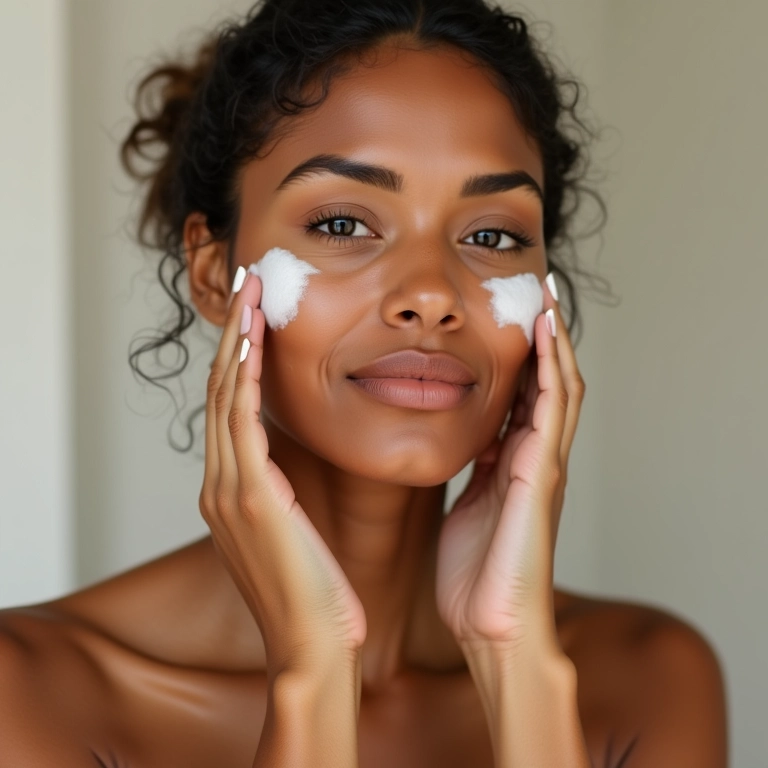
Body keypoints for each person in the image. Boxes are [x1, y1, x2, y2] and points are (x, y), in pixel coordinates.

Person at [0, 1, 728, 765]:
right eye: (344, 225)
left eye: (491, 235)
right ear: (214, 273)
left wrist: (515, 661)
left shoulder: (648, 678)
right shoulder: (32, 691)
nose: (433, 294)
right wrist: (312, 672)